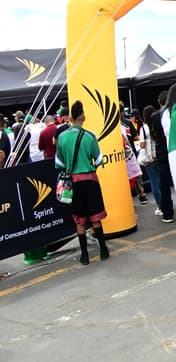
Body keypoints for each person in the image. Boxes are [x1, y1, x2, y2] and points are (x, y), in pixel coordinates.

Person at [55, 101, 110, 265]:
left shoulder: (62, 137)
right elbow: (99, 160)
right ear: (83, 117)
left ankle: (84, 255)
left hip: (73, 183)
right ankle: (103, 250)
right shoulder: (90, 136)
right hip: (90, 181)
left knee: (79, 219)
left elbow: (59, 164)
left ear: (70, 118)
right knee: (95, 217)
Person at [145, 98, 176, 223]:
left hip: (162, 153)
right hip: (174, 151)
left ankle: (167, 213)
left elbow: (154, 136)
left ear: (159, 102)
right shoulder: (175, 112)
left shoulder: (155, 116)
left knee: (163, 185)